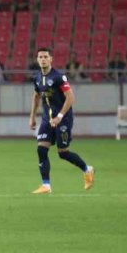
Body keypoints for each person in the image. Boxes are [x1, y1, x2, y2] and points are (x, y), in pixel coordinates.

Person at [28, 47, 95, 195]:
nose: (43, 59)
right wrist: (32, 116)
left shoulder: (59, 77)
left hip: (63, 119)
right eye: (40, 57)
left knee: (63, 153)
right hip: (47, 119)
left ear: (51, 59)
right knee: (41, 149)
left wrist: (59, 117)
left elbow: (71, 98)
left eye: (46, 57)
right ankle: (46, 185)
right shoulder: (37, 78)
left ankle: (87, 169)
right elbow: (36, 96)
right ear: (37, 60)